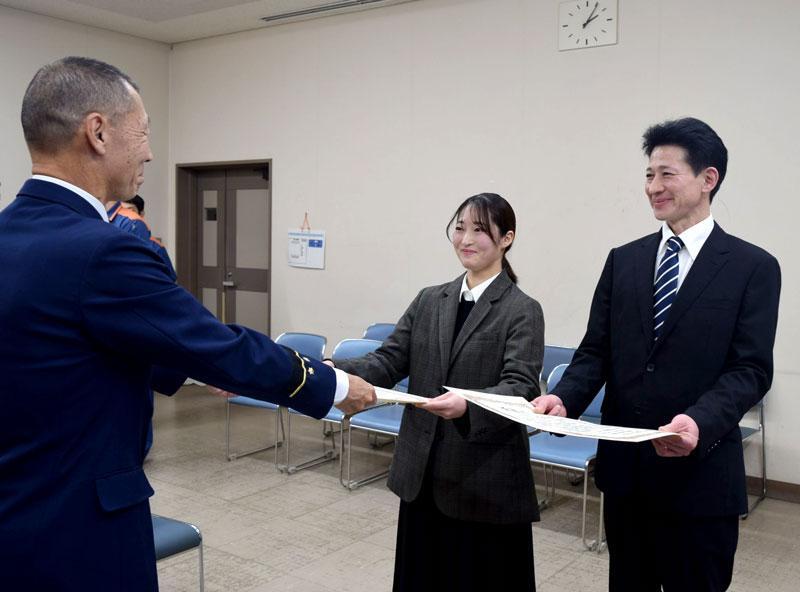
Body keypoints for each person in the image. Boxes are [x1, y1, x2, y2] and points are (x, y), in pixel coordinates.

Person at [0, 56, 375, 592]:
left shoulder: (11, 234)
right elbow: (215, 343)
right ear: (98, 132)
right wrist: (332, 385)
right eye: (144, 131)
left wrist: (185, 363)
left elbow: (65, 347)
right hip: (79, 530)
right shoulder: (105, 249)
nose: (150, 150)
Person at [534, 117, 781, 592]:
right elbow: (594, 351)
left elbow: (750, 369)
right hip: (627, 477)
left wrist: (698, 421)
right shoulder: (623, 260)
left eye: (667, 174)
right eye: (649, 175)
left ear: (708, 179)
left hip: (701, 477)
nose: (653, 187)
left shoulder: (753, 267)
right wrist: (563, 398)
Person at [333, 193, 544, 591]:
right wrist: (334, 371)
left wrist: (469, 405)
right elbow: (388, 360)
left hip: (484, 478)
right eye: (460, 227)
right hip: (423, 473)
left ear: (507, 239)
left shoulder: (522, 309)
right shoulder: (431, 299)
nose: (466, 238)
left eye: (480, 229)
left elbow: (520, 386)